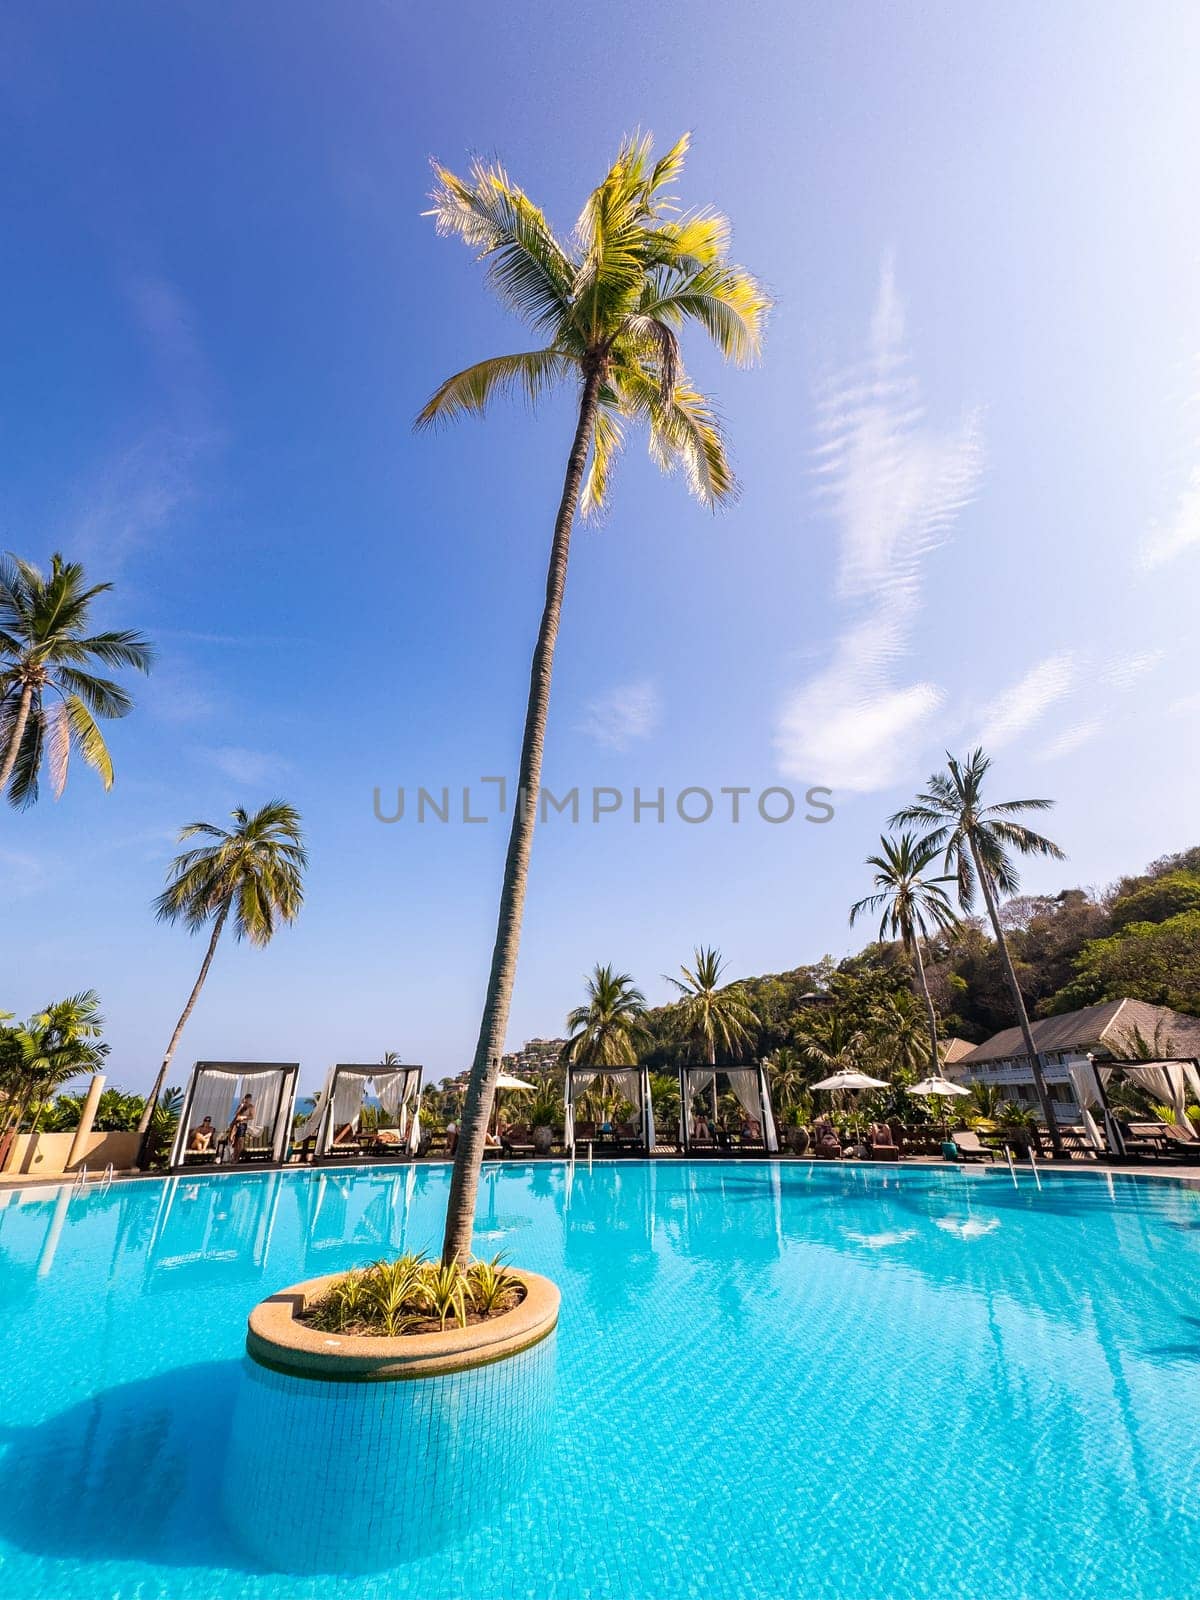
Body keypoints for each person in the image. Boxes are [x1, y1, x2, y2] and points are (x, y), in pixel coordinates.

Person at [228, 1094, 255, 1158]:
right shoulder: (241, 1105)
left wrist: (243, 1117)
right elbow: (236, 1114)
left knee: (240, 1141)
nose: (248, 1100)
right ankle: (234, 1156)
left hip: (242, 1124)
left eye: (249, 1099)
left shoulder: (251, 1107)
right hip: (236, 1124)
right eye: (247, 1099)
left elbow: (252, 1116)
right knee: (234, 1141)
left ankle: (237, 1157)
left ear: (250, 1100)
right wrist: (241, 1105)